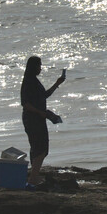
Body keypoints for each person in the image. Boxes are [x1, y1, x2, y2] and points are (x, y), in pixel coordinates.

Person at [20, 56, 65, 189]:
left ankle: (34, 175)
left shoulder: (34, 81)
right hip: (32, 119)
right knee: (41, 148)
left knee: (39, 148)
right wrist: (40, 112)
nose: (41, 68)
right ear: (33, 67)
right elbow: (25, 103)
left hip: (37, 118)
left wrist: (57, 83)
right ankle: (33, 178)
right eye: (39, 65)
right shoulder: (29, 81)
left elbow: (44, 96)